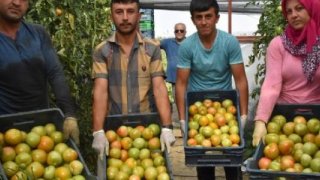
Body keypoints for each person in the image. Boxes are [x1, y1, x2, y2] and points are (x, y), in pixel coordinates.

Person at [91, 0, 176, 158]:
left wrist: (166, 127)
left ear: (138, 15)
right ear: (111, 16)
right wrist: (98, 131)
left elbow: (159, 88)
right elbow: (100, 91)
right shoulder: (102, 51)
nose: (124, 17)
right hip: (114, 132)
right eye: (119, 12)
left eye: (130, 11)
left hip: (147, 131)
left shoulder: (151, 49)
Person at [175, 0, 248, 179]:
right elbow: (181, 83)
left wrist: (244, 114)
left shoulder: (229, 42)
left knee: (232, 162)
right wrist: (183, 119)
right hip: (198, 110)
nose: (204, 21)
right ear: (193, 20)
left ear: (217, 17)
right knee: (204, 164)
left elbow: (240, 79)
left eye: (208, 16)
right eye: (199, 17)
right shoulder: (187, 46)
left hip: (226, 107)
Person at [0, 0, 80, 144]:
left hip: (42, 129)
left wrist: (69, 114)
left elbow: (55, 73)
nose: (17, 2)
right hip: (6, 132)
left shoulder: (38, 33)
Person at [252, 0, 320, 146]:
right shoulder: (278, 45)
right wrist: (261, 121)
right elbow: (271, 85)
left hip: (316, 118)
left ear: (312, 9)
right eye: (289, 11)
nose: (293, 15)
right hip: (283, 118)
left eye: (299, 8)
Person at [160, 22, 186, 96]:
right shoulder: (167, 42)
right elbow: (154, 44)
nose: (179, 32)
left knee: (190, 102)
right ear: (174, 32)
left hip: (189, 80)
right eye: (176, 31)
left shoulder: (190, 43)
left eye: (181, 30)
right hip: (174, 80)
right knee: (177, 102)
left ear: (185, 32)